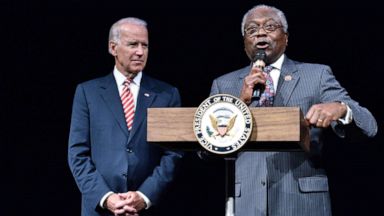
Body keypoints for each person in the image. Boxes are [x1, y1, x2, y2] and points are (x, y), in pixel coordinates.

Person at [209, 4, 378, 216]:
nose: (261, 32)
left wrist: (341, 109)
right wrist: (240, 102)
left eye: (270, 26)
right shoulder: (224, 85)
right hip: (246, 203)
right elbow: (204, 150)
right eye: (252, 30)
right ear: (244, 43)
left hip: (301, 202)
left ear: (286, 38)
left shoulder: (316, 75)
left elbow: (369, 126)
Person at [68, 17, 183, 216]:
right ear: (113, 48)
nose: (140, 51)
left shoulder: (167, 94)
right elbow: (77, 154)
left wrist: (144, 195)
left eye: (144, 45)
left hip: (148, 208)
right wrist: (106, 197)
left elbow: (173, 154)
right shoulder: (88, 92)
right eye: (133, 44)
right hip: (100, 209)